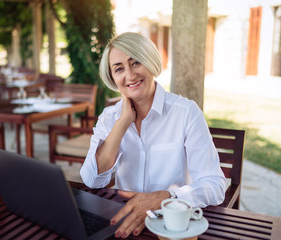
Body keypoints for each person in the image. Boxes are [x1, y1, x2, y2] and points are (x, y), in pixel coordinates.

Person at [80, 32, 226, 238]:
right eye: (119, 69)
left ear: (150, 62)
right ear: (112, 77)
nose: (129, 75)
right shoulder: (110, 117)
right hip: (126, 223)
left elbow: (214, 184)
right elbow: (92, 180)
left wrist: (167, 197)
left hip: (173, 226)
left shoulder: (186, 113)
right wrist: (122, 122)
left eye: (136, 62)